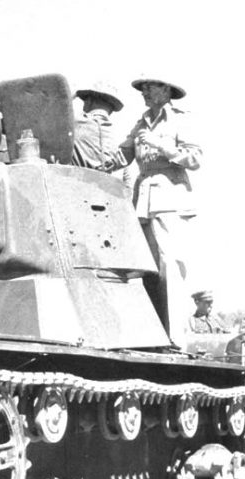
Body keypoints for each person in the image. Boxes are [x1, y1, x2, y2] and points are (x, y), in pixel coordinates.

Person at [110, 76, 202, 347]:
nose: (144, 92)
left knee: (170, 268)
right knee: (146, 269)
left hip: (170, 197)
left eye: (149, 87)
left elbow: (195, 159)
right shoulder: (141, 122)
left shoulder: (179, 120)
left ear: (166, 90)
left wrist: (160, 144)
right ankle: (152, 337)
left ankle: (175, 340)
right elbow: (121, 155)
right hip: (143, 200)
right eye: (142, 88)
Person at [71, 81, 124, 170]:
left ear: (90, 101)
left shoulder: (76, 123)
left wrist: (69, 97)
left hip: (75, 180)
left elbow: (47, 116)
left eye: (86, 99)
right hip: (104, 182)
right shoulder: (115, 137)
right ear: (111, 109)